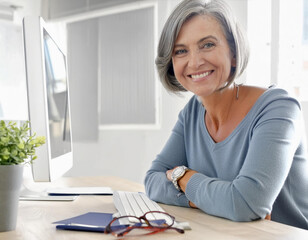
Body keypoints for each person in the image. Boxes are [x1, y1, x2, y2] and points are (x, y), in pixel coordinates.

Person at [144, 0, 308, 230]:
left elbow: (246, 203)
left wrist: (182, 177)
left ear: (233, 53)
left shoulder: (279, 108)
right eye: (181, 51)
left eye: (207, 45)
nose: (195, 61)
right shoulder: (191, 113)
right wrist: (213, 200)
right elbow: (152, 180)